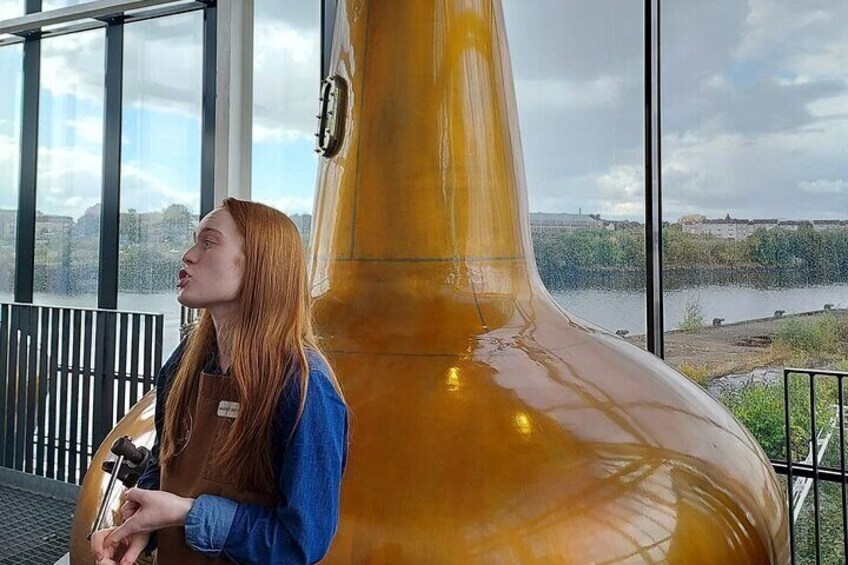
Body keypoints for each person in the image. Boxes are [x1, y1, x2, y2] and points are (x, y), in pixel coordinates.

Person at [91, 198, 349, 564]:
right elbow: (163, 464)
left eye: (208, 242)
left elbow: (299, 544)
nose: (188, 255)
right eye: (194, 241)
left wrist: (186, 513)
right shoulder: (183, 364)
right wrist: (136, 527)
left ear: (259, 264)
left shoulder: (305, 389)